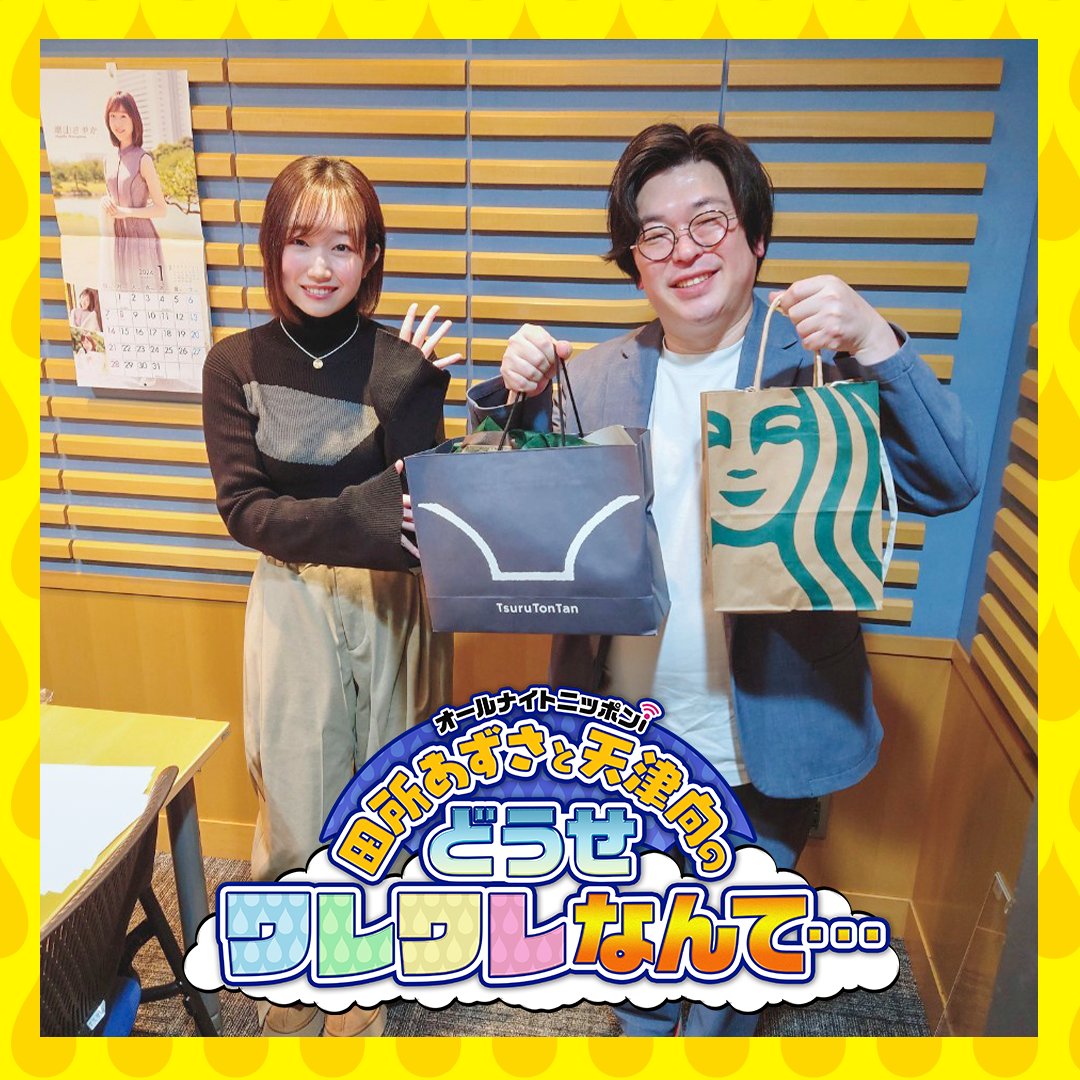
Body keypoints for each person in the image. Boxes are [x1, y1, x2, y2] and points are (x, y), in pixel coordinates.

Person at [468, 123, 979, 1036]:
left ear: (756, 235)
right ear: (633, 260)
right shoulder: (595, 375)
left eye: (709, 221)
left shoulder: (818, 366)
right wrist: (514, 394)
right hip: (624, 745)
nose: (685, 249)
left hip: (764, 743)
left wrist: (877, 339)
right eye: (655, 233)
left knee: (728, 990)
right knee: (633, 976)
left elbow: (949, 480)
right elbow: (500, 523)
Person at [202, 157, 457, 1038]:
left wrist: (415, 393)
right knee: (297, 795)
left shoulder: (400, 364)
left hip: (393, 604)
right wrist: (361, 514)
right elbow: (246, 510)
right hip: (291, 596)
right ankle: (290, 985)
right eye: (301, 242)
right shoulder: (234, 364)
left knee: (391, 796)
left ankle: (362, 990)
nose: (320, 266)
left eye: (343, 246)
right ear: (272, 248)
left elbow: (418, 508)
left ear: (371, 255)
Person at [101, 91, 165, 290]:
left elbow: (161, 209)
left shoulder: (143, 159)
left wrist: (125, 212)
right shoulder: (108, 159)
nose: (117, 123)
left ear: (133, 119)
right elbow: (112, 195)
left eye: (123, 116)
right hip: (119, 236)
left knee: (147, 294)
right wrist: (105, 202)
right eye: (112, 116)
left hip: (141, 238)